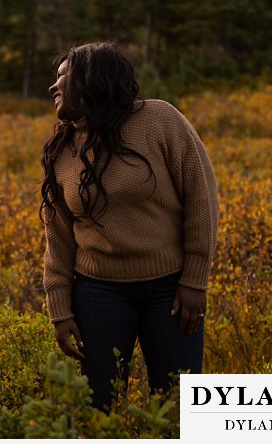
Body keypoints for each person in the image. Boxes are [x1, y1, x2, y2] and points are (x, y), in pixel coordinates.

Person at [40, 42, 218, 411]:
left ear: (91, 78)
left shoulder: (159, 120)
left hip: (171, 291)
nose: (52, 87)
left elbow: (201, 197)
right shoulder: (61, 150)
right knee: (100, 408)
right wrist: (60, 309)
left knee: (178, 406)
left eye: (62, 77)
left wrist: (194, 280)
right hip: (96, 295)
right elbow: (57, 239)